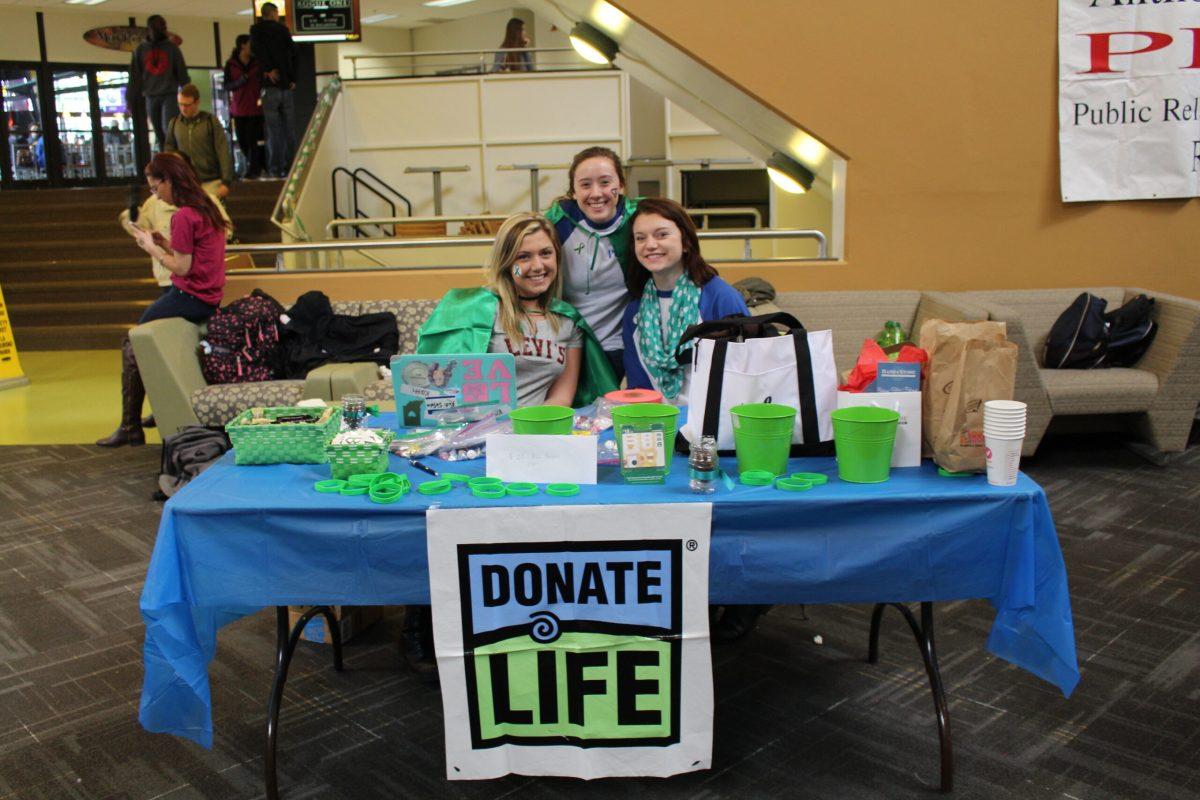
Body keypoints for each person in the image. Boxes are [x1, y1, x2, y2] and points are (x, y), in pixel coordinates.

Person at [417, 212, 618, 408]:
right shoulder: (475, 307)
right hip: (475, 429)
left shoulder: (567, 320)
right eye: (523, 257)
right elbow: (439, 385)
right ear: (506, 263)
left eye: (546, 253)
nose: (538, 266)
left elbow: (561, 399)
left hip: (533, 429)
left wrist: (524, 431)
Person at [97, 153, 228, 447]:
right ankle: (137, 420)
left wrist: (149, 247)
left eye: (155, 189)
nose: (155, 196)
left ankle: (130, 425)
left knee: (133, 342)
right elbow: (199, 255)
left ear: (168, 181)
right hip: (208, 297)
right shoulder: (207, 207)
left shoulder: (184, 215)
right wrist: (166, 243)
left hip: (188, 296)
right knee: (139, 341)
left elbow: (182, 268)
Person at [622, 197, 749, 402]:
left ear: (686, 242)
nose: (650, 245)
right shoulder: (634, 312)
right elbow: (639, 388)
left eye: (662, 234)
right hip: (658, 424)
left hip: (714, 424)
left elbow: (746, 374)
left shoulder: (720, 298)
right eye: (640, 238)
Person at [544, 146, 639, 381]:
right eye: (585, 185)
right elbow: (515, 264)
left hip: (613, 347)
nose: (596, 193)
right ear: (573, 191)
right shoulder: (556, 224)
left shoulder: (637, 222)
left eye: (605, 182)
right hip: (562, 343)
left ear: (621, 185)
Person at [164, 84, 235, 227]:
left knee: (215, 221)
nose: (183, 108)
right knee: (191, 222)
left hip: (211, 181)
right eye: (180, 104)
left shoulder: (210, 121)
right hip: (186, 183)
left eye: (187, 104)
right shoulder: (175, 123)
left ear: (197, 102)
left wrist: (226, 180)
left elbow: (222, 150)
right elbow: (169, 152)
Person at [251, 2, 299, 178]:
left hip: (269, 85)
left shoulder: (256, 31)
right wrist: (292, 78)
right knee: (289, 128)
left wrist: (267, 70)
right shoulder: (282, 30)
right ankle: (291, 165)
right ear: (273, 14)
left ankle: (275, 169)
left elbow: (258, 51)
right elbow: (294, 52)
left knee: (273, 130)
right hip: (285, 84)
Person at [129, 15, 189, 151]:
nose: (163, 30)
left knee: (168, 128)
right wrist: (131, 99)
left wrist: (188, 92)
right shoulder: (140, 50)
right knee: (158, 131)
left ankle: (172, 156)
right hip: (150, 95)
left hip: (169, 94)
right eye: (159, 27)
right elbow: (134, 77)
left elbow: (182, 72)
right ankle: (165, 157)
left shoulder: (172, 48)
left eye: (164, 27)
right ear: (150, 29)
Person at [224, 35, 264, 179]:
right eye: (249, 44)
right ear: (242, 45)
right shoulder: (231, 64)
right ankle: (251, 166)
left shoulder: (257, 63)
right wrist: (242, 80)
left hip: (255, 109)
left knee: (253, 141)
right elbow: (227, 86)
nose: (252, 47)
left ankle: (253, 170)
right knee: (243, 142)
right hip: (239, 110)